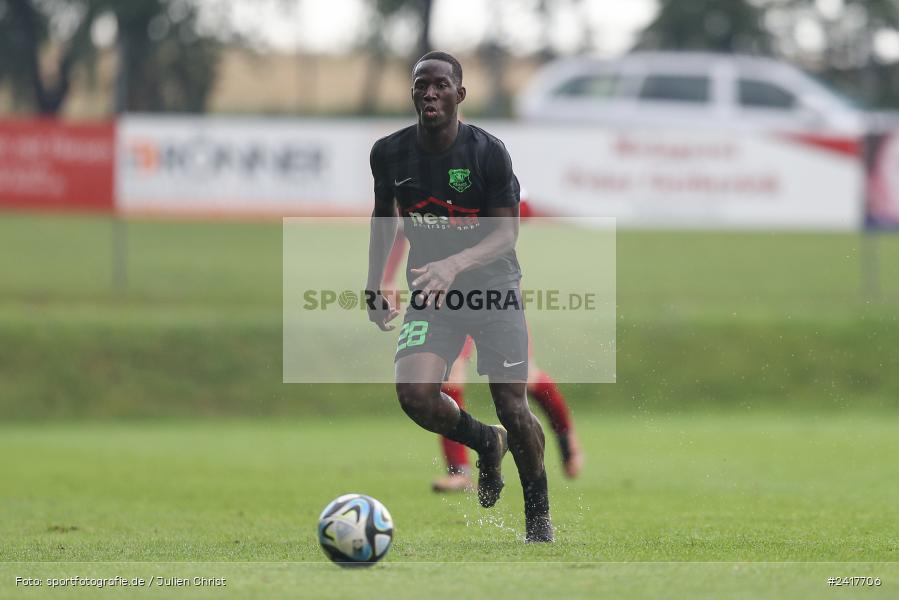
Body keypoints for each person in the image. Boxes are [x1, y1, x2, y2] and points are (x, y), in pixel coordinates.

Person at [366, 51, 553, 542]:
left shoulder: (488, 153)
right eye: (421, 85)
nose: (430, 93)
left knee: (512, 406)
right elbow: (384, 217)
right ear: (412, 93)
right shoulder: (389, 153)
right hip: (433, 295)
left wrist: (454, 263)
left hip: (494, 291)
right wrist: (375, 282)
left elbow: (505, 234)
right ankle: (486, 442)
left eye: (441, 85)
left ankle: (538, 521)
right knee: (415, 395)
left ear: (459, 94)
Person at [381, 226, 584, 493]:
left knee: (528, 378)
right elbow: (401, 226)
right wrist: (387, 279)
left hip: (495, 292)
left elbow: (506, 232)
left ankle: (566, 437)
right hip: (446, 298)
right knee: (449, 376)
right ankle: (459, 470)